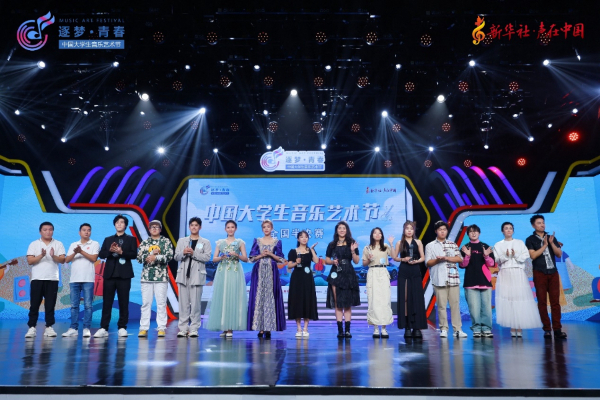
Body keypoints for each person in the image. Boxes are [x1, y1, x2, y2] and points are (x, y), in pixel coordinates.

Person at [494, 222, 542, 337]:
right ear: (502, 231)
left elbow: (525, 256)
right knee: (509, 300)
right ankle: (512, 326)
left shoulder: (519, 243)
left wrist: (515, 255)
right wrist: (506, 256)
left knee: (519, 299)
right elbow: (497, 259)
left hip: (518, 272)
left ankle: (519, 327)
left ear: (513, 230)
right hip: (505, 273)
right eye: (506, 228)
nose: (508, 230)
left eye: (510, 228)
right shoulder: (498, 245)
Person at [95, 215, 138, 338]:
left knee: (123, 302)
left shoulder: (131, 239)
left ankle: (122, 327)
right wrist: (110, 250)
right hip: (110, 274)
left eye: (122, 222)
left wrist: (121, 252)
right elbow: (101, 254)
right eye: (117, 222)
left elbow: (134, 254)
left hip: (124, 275)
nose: (119, 224)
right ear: (114, 225)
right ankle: (104, 327)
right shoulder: (108, 239)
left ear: (125, 225)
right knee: (107, 302)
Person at [525, 215, 566, 339]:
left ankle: (557, 329)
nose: (542, 224)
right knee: (542, 302)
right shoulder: (530, 239)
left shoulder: (551, 237)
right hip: (539, 273)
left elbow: (559, 254)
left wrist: (551, 243)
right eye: (539, 223)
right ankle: (547, 329)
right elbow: (533, 256)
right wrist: (544, 245)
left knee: (555, 302)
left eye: (543, 222)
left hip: (553, 272)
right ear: (533, 225)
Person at [206, 220, 248, 338]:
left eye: (232, 227)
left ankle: (230, 328)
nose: (230, 229)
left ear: (236, 229)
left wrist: (237, 255)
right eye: (228, 227)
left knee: (232, 297)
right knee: (222, 297)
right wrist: (221, 257)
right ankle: (224, 327)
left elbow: (245, 259)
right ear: (225, 229)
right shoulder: (220, 242)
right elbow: (214, 259)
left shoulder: (240, 242)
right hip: (222, 271)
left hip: (234, 271)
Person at [425, 220, 467, 338]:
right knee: (441, 306)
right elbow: (428, 262)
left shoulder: (452, 244)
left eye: (444, 229)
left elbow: (459, 259)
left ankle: (457, 329)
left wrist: (446, 258)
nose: (442, 232)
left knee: (455, 305)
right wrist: (438, 260)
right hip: (439, 279)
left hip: (453, 279)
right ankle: (443, 329)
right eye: (440, 230)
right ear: (436, 231)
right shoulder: (430, 245)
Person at [25, 222, 66, 338]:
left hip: (52, 278)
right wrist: (41, 255)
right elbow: (30, 261)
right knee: (34, 304)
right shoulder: (34, 244)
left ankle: (49, 327)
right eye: (45, 229)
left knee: (50, 305)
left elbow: (62, 260)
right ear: (40, 231)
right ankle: (32, 327)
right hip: (37, 278)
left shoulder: (58, 244)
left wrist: (53, 256)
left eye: (50, 229)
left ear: (53, 231)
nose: (48, 232)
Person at [247, 219, 286, 338]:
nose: (266, 229)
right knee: (259, 297)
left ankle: (269, 327)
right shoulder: (257, 241)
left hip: (271, 271)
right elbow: (251, 259)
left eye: (268, 227)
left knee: (270, 297)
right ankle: (260, 327)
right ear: (262, 229)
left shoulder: (277, 242)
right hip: (258, 271)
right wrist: (261, 255)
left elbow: (281, 260)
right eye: (264, 227)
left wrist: (270, 254)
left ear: (272, 228)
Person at [173, 217, 212, 337]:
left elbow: (207, 258)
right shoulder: (182, 241)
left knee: (195, 305)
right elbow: (176, 257)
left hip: (197, 276)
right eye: (192, 225)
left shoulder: (205, 242)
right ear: (189, 227)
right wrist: (184, 252)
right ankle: (183, 328)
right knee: (183, 304)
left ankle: (194, 328)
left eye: (196, 225)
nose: (194, 227)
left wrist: (193, 253)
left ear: (200, 227)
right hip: (183, 276)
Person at [136, 220, 174, 338]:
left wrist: (156, 257)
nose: (154, 228)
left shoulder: (165, 241)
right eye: (152, 227)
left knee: (161, 303)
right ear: (149, 229)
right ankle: (143, 328)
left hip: (161, 277)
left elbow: (169, 256)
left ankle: (161, 328)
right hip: (146, 277)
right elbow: (139, 258)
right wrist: (150, 255)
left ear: (160, 229)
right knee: (146, 303)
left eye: (157, 227)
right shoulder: (145, 242)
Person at [62, 223, 100, 338]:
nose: (86, 232)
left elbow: (94, 258)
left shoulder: (95, 244)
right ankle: (73, 328)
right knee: (74, 305)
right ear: (79, 232)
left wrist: (81, 251)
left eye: (89, 230)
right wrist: (75, 251)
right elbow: (67, 260)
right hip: (74, 279)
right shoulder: (74, 244)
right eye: (84, 230)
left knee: (88, 305)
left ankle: (86, 328)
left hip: (88, 279)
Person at [325, 221, 361, 338]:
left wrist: (353, 250)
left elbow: (356, 261)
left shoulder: (352, 243)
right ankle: (340, 330)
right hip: (336, 273)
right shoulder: (332, 245)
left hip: (348, 273)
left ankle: (348, 330)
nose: (341, 230)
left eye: (344, 228)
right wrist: (333, 261)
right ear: (336, 230)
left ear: (347, 230)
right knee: (338, 303)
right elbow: (326, 260)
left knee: (347, 303)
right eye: (339, 228)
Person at [459, 224, 495, 338]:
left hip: (485, 281)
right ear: (468, 234)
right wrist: (467, 256)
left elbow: (491, 264)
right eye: (471, 231)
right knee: (474, 308)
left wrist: (486, 256)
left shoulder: (485, 246)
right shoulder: (465, 247)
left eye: (475, 231)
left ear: (479, 233)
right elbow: (462, 265)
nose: (473, 233)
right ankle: (476, 329)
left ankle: (486, 328)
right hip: (470, 281)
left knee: (486, 308)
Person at [393, 221, 427, 339]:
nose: (409, 230)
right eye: (407, 228)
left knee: (416, 297)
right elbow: (395, 257)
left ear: (413, 230)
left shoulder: (418, 242)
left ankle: (417, 327)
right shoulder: (400, 242)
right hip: (404, 270)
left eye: (411, 228)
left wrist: (417, 261)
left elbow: (423, 257)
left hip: (415, 269)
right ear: (404, 230)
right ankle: (407, 326)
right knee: (405, 298)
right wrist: (403, 259)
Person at [363, 227, 394, 338]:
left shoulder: (385, 246)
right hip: (372, 272)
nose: (377, 234)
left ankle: (384, 328)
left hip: (383, 271)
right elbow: (364, 263)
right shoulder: (367, 248)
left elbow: (394, 256)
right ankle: (376, 328)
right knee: (373, 300)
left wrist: (391, 244)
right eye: (375, 233)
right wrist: (369, 259)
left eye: (379, 233)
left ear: (382, 235)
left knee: (385, 299)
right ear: (372, 235)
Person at [287, 231, 319, 338]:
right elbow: (289, 266)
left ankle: (305, 328)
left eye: (306, 237)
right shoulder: (293, 251)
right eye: (301, 237)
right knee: (297, 302)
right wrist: (296, 262)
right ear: (298, 239)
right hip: (297, 278)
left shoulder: (310, 251)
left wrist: (312, 249)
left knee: (307, 301)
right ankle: (298, 328)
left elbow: (316, 261)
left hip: (308, 278)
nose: (304, 239)